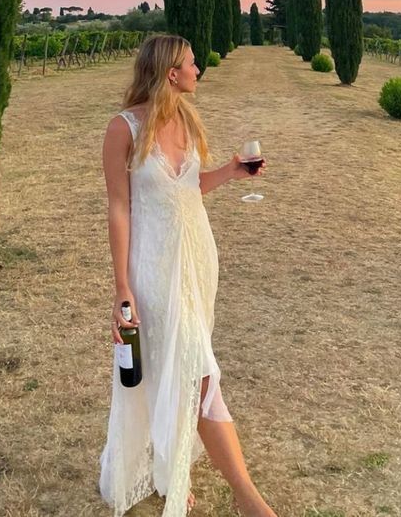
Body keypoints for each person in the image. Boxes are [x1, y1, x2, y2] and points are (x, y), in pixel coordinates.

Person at [99, 34, 277, 516]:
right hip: (155, 268)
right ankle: (248, 498)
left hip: (197, 260)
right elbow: (120, 208)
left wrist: (230, 173)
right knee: (197, 373)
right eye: (192, 64)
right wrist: (122, 289)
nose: (200, 70)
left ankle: (170, 465)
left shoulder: (185, 117)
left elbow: (187, 188)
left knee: (174, 369)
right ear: (170, 73)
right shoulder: (124, 129)